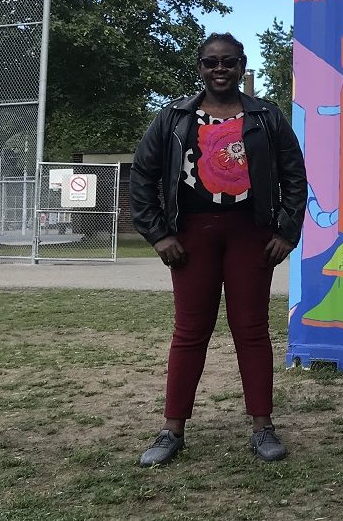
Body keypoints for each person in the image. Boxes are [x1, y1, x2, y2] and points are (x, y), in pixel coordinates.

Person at [130, 33, 307, 466]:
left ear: (242, 65)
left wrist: (286, 232)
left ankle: (262, 427)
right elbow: (142, 176)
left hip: (250, 234)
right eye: (211, 62)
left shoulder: (265, 115)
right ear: (200, 67)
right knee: (189, 332)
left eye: (229, 62)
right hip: (191, 235)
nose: (220, 69)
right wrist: (159, 234)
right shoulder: (174, 116)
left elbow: (294, 175)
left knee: (252, 330)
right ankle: (172, 429)